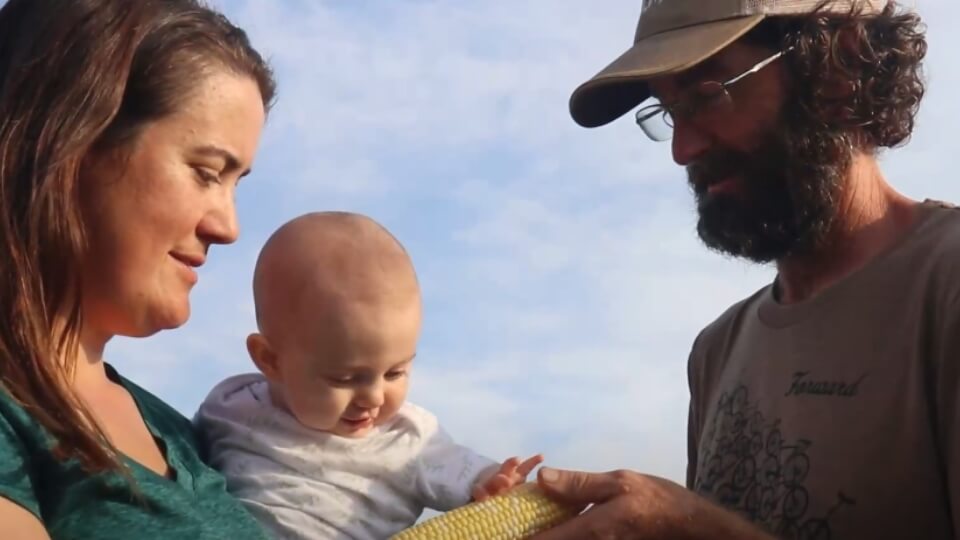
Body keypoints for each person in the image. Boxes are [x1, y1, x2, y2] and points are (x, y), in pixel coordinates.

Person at [531, 0, 957, 538]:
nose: (683, 150)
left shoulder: (944, 286)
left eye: (708, 96)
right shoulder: (717, 350)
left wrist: (694, 527)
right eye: (669, 113)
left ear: (840, 66)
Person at [0, 0, 278, 538]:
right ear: (69, 145)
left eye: (236, 184)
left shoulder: (184, 435)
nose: (229, 227)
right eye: (206, 172)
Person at [194, 211, 543, 539]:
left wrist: (492, 482)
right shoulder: (229, 406)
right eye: (345, 379)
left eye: (395, 373)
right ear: (270, 360)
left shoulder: (408, 439)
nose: (375, 397)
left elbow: (465, 472)